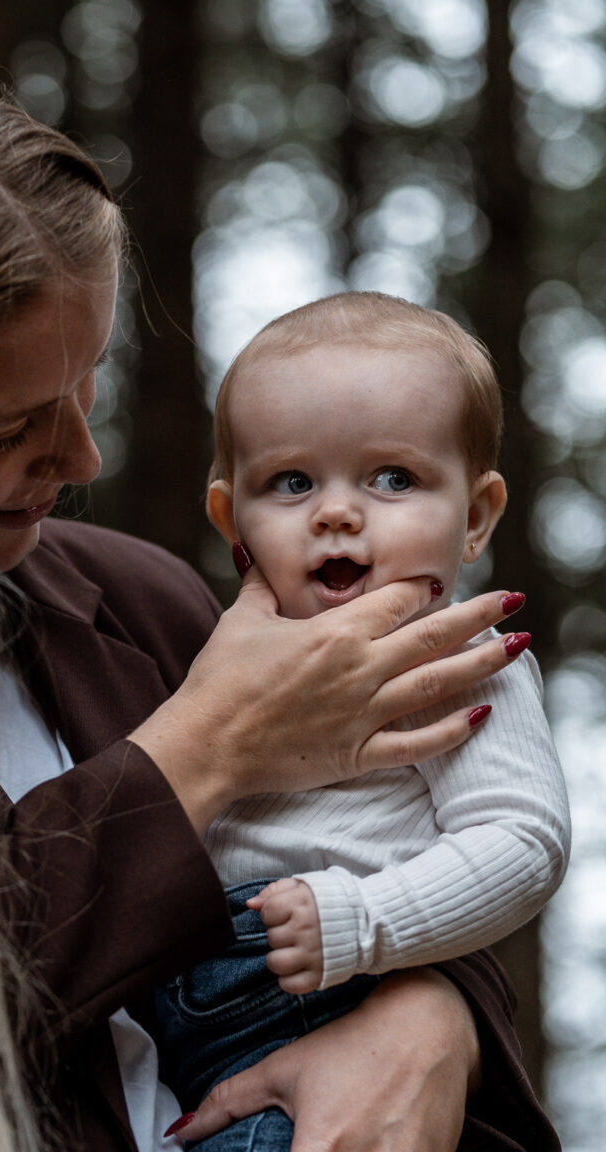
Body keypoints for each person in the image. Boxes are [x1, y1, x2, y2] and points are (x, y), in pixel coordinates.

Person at [0, 43, 559, 1152]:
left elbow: (414, 856)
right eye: (2, 427)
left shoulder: (133, 597)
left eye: (87, 385)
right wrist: (203, 749)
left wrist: (432, 1019)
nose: (77, 455)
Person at [154, 292, 569, 1151]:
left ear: (478, 516)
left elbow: (523, 841)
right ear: (232, 519)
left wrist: (363, 920)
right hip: (186, 1032)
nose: (337, 511)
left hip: (332, 1002)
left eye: (393, 478)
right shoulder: (223, 659)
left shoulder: (451, 657)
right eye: (292, 482)